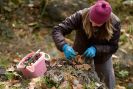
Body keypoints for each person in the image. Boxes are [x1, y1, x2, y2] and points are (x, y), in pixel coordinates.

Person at [52, 0, 121, 89]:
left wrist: (96, 49)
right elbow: (57, 30)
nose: (93, 24)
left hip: (102, 58)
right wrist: (64, 46)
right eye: (91, 20)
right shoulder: (81, 15)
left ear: (106, 22)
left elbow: (113, 47)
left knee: (107, 84)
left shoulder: (115, 22)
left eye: (98, 23)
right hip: (79, 56)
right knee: (76, 83)